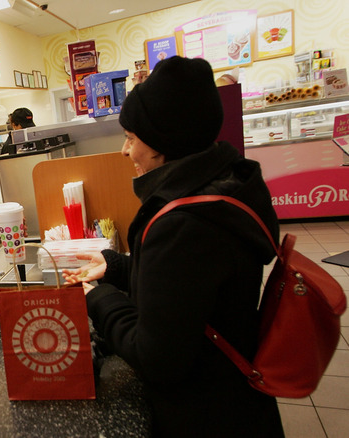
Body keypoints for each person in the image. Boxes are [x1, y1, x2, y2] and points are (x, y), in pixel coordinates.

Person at [62, 57, 284, 437]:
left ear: (163, 144)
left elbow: (156, 358)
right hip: (239, 401)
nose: (124, 151)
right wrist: (116, 267)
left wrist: (97, 297)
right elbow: (191, 287)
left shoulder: (182, 223)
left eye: (131, 137)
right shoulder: (224, 189)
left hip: (207, 416)